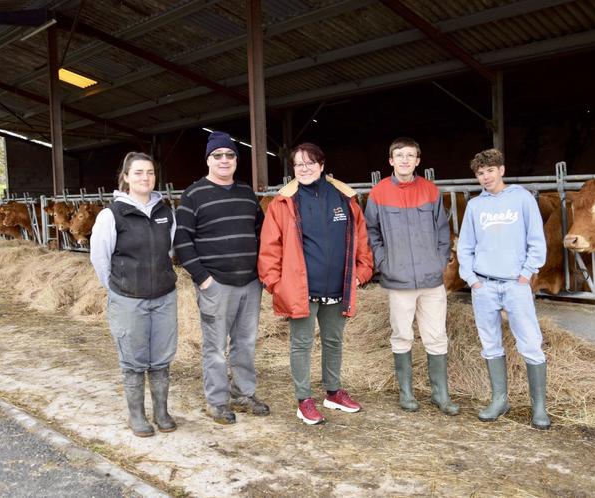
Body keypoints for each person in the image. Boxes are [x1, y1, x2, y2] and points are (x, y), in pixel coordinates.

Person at [259, 143, 374, 425]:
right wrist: (275, 283)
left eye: (310, 163)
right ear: (293, 170)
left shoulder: (343, 198)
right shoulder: (283, 202)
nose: (305, 168)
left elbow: (361, 239)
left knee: (333, 341)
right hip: (300, 288)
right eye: (298, 165)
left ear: (322, 165)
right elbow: (270, 247)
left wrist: (362, 271)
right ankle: (304, 400)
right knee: (302, 343)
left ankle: (333, 393)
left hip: (338, 286)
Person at [173, 131, 269, 425]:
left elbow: (260, 234)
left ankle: (243, 393)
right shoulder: (193, 195)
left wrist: (262, 273)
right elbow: (182, 240)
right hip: (216, 284)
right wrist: (203, 279)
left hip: (250, 283)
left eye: (230, 155)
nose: (224, 160)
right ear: (208, 160)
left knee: (246, 341)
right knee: (215, 347)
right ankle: (217, 401)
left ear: (236, 160)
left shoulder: (246, 193)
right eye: (218, 155)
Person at [457, 148, 550, 430]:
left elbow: (536, 238)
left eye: (490, 171)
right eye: (480, 173)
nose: (485, 177)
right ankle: (500, 400)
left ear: (502, 170)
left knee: (530, 343)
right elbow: (465, 247)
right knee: (490, 343)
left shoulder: (522, 199)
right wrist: (471, 279)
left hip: (514, 283)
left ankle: (539, 408)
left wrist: (526, 273)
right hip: (484, 284)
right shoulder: (475, 206)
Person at [364, 137, 459, 415]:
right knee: (402, 334)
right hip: (398, 278)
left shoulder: (430, 190)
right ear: (390, 161)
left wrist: (440, 260)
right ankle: (407, 393)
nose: (405, 160)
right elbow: (372, 233)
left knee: (436, 335)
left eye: (410, 156)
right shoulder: (379, 193)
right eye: (399, 155)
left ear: (418, 161)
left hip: (431, 279)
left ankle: (440, 395)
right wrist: (384, 262)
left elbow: (442, 229)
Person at [90, 151, 178, 437]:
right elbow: (100, 259)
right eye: (138, 172)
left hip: (164, 296)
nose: (145, 178)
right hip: (129, 299)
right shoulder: (111, 215)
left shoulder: (166, 212)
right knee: (133, 358)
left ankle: (162, 412)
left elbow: (170, 251)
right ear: (125, 177)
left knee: (162, 356)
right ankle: (137, 415)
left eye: (150, 172)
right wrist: (120, 288)